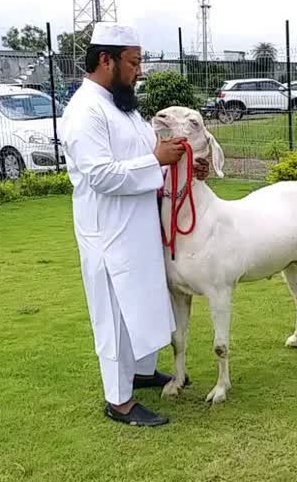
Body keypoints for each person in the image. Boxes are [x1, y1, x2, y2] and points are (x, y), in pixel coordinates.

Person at [60, 22, 210, 426]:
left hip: (140, 227)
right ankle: (118, 401)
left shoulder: (122, 106)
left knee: (143, 303)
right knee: (112, 315)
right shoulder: (84, 111)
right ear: (105, 60)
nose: (139, 71)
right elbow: (101, 175)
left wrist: (186, 163)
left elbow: (152, 152)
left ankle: (142, 373)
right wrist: (156, 161)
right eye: (133, 62)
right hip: (107, 233)